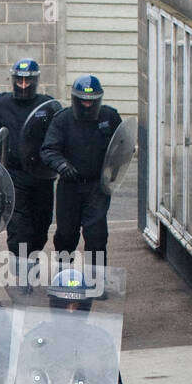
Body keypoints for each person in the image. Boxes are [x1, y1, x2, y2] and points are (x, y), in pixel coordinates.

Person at [0, 59, 57, 287]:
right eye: (20, 80)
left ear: (36, 81)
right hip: (13, 174)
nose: (23, 85)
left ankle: (30, 258)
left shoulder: (48, 106)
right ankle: (22, 270)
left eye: (28, 81)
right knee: (19, 227)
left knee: (41, 225)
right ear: (13, 80)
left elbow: (58, 136)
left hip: (42, 175)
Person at [40, 74, 123, 267]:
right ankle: (64, 274)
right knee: (66, 235)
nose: (87, 105)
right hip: (70, 186)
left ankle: (97, 278)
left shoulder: (109, 117)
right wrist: (61, 165)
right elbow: (48, 149)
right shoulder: (63, 120)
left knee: (96, 235)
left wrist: (113, 172)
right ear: (76, 99)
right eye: (83, 101)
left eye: (91, 101)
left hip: (97, 186)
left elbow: (122, 146)